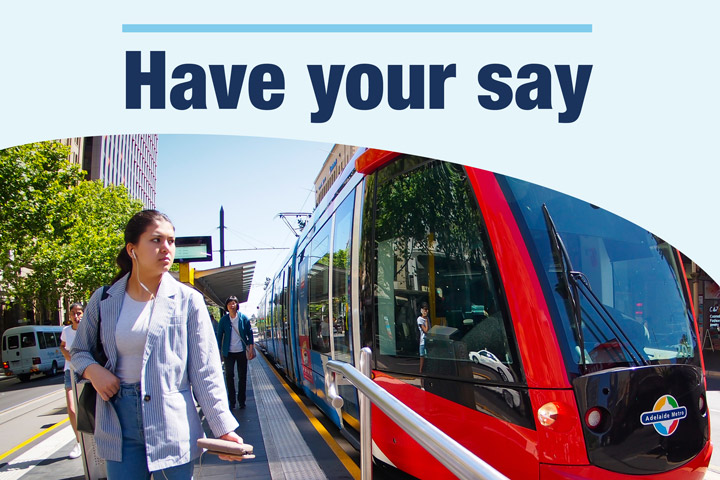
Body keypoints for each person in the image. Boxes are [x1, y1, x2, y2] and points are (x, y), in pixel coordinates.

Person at [71, 210, 244, 479]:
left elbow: (205, 371)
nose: (166, 248)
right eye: (156, 240)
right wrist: (94, 371)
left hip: (172, 424)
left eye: (171, 241)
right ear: (133, 249)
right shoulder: (104, 298)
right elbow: (79, 350)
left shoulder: (189, 301)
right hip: (118, 422)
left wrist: (222, 428)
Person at [216, 295, 254, 409]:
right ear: (226, 307)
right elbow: (219, 337)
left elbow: (250, 334)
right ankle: (231, 401)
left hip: (242, 351)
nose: (232, 306)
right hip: (229, 353)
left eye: (233, 303)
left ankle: (242, 401)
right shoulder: (223, 320)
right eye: (229, 304)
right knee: (229, 376)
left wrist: (251, 349)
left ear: (237, 305)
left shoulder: (243, 319)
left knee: (242, 377)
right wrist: (218, 352)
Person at [60, 302, 84, 459]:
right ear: (69, 316)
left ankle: (91, 439)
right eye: (73, 314)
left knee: (87, 407)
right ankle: (78, 441)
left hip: (84, 371)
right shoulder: (66, 331)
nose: (76, 316)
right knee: (71, 408)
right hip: (69, 371)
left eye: (79, 313)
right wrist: (66, 354)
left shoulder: (87, 330)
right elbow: (62, 345)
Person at [417, 302, 430, 373]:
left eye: (427, 310)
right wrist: (426, 322)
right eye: (425, 310)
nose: (426, 311)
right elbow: (426, 330)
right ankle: (421, 370)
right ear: (422, 310)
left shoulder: (427, 318)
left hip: (428, 340)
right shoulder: (420, 319)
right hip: (423, 341)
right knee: (422, 357)